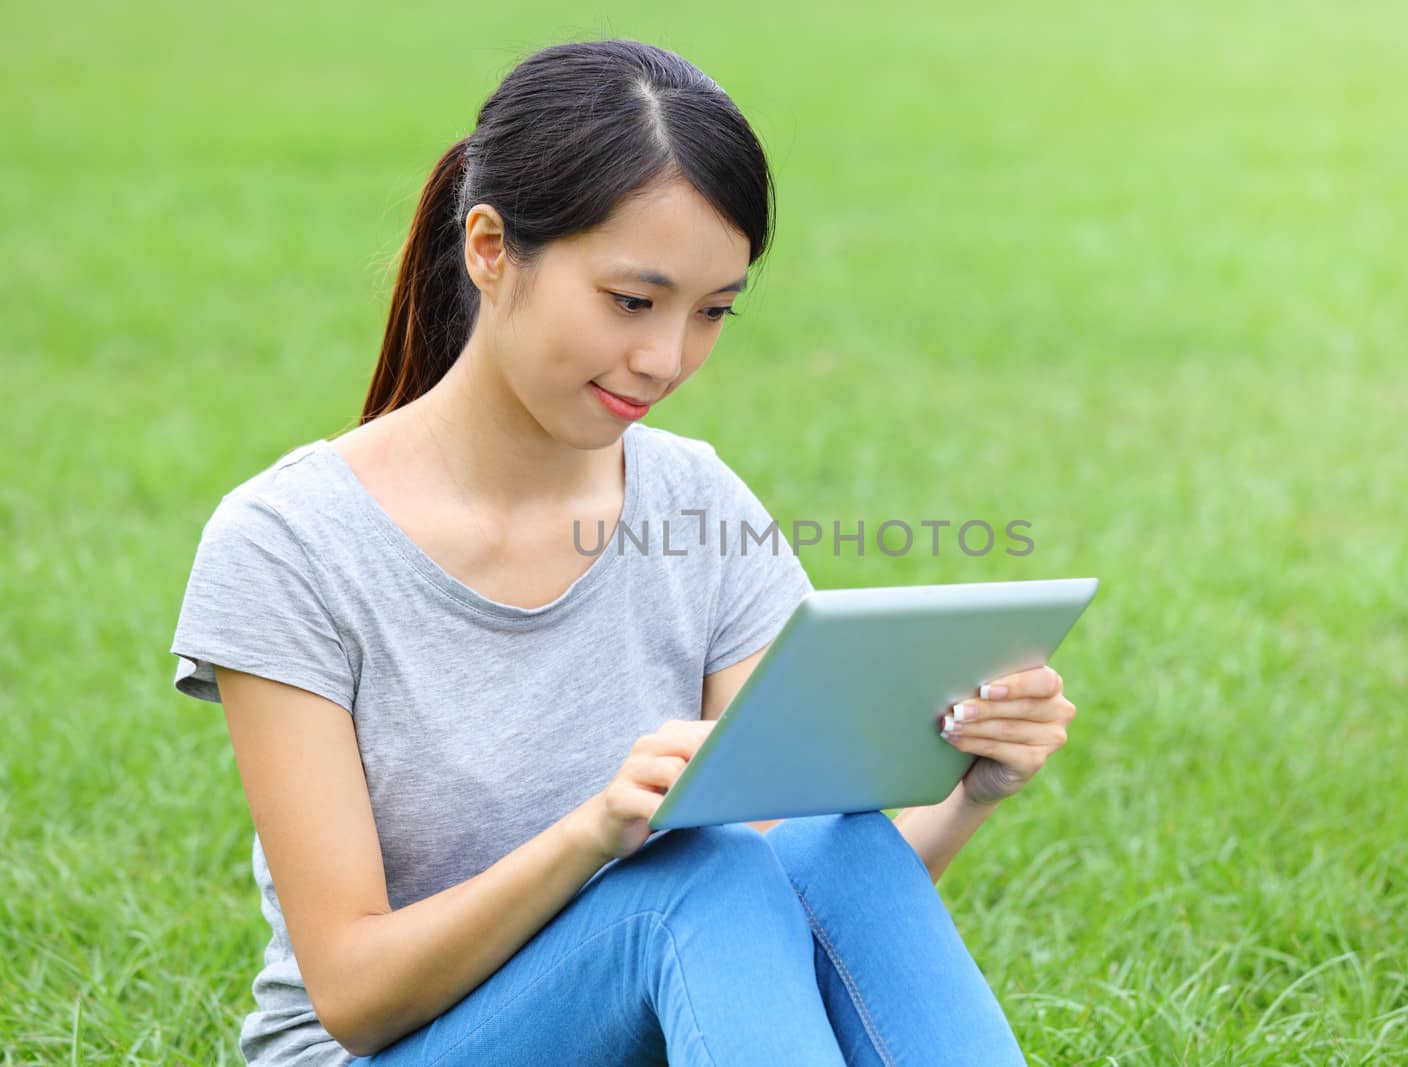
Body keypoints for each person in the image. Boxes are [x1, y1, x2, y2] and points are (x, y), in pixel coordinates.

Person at [168, 37, 1078, 1067]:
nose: (667, 358)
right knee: (702, 872)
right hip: (389, 1051)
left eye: (713, 314)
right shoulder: (289, 545)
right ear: (489, 248)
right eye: (632, 302)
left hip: (661, 1016)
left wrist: (968, 792)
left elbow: (806, 892)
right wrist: (596, 831)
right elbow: (355, 992)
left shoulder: (696, 503)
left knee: (843, 837)